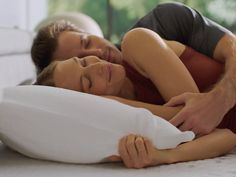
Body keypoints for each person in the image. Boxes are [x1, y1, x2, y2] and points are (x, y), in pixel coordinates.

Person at [34, 27, 236, 168]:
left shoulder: (136, 42)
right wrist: (165, 156)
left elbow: (198, 119)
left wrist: (119, 103)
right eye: (87, 82)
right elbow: (226, 137)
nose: (98, 66)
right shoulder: (122, 121)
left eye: (84, 62)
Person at [31, 2, 236, 135]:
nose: (96, 55)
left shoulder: (160, 24)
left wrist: (221, 98)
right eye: (80, 61)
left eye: (86, 42)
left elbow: (233, 48)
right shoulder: (112, 111)